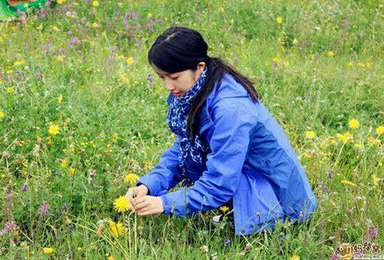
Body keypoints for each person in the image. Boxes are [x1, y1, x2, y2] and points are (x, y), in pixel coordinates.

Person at [126, 26, 317, 236]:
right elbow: (185, 147)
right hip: (243, 178)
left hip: (279, 202)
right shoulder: (196, 88)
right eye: (162, 78)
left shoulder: (230, 108)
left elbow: (221, 182)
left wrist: (165, 203)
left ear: (199, 67)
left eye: (174, 76)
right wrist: (149, 185)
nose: (168, 86)